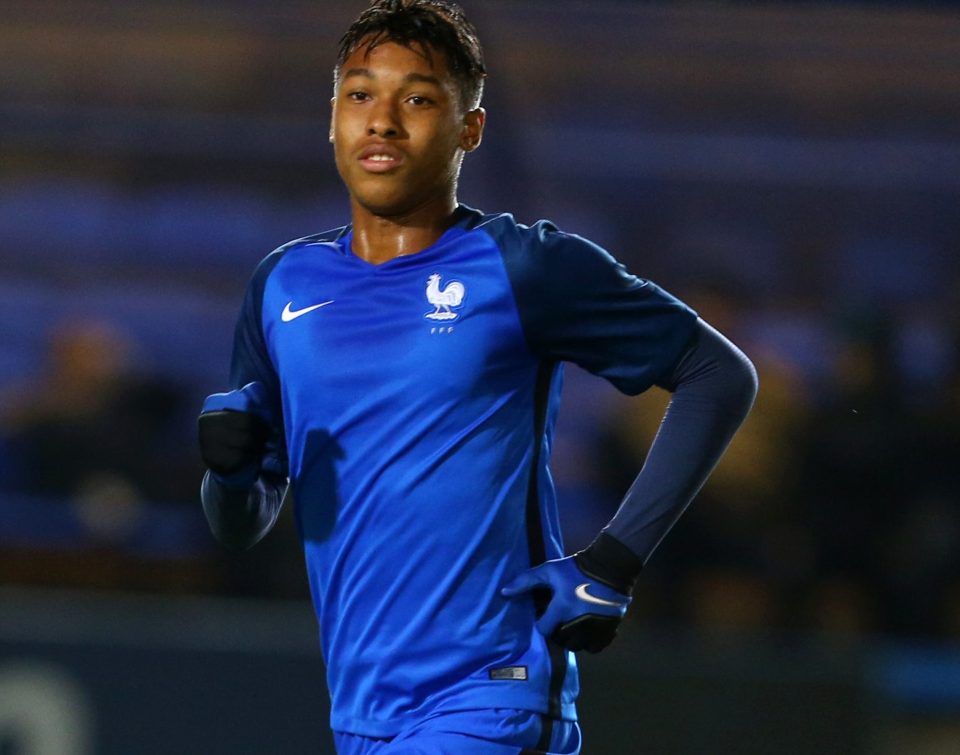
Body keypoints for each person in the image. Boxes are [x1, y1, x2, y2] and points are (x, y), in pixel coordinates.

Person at [197, 1, 758, 752]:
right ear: (332, 115)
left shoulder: (524, 266)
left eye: (419, 98)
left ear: (470, 129)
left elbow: (716, 374)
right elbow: (241, 523)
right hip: (361, 713)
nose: (384, 120)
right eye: (360, 94)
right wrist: (231, 473)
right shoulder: (282, 285)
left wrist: (614, 561)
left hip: (491, 696)